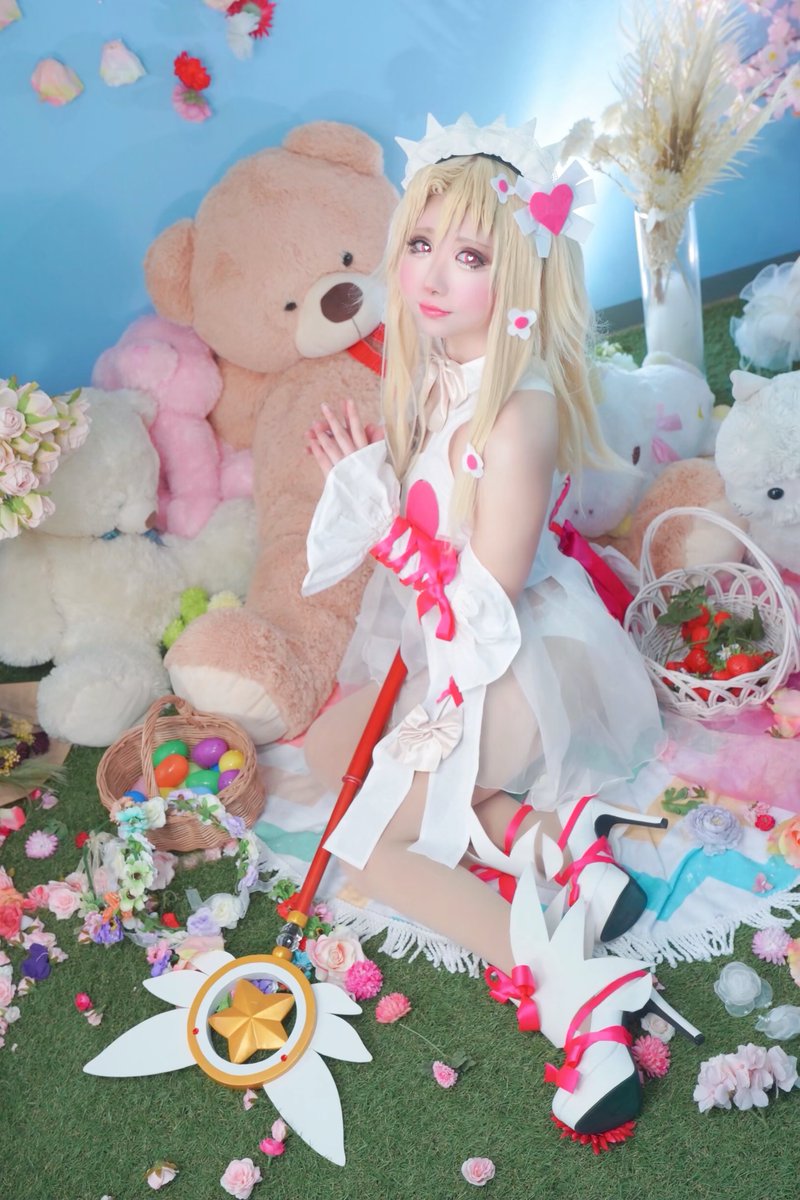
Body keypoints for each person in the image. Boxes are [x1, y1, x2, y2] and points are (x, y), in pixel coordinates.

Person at [298, 116, 683, 1138]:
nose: (431, 276)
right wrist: (375, 485)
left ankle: (577, 995)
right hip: (459, 646)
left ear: (516, 273)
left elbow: (483, 601)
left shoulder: (517, 411)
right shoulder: (437, 366)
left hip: (511, 655)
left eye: (469, 257)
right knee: (340, 751)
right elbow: (429, 526)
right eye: (420, 244)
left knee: (369, 844)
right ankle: (550, 837)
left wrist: (384, 529)